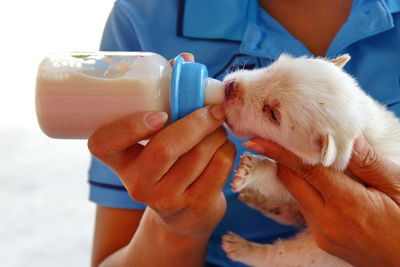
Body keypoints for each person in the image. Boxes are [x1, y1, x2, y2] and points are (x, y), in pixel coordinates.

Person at [87, 0, 400, 266]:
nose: (238, 84)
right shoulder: (147, 15)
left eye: (273, 113)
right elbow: (110, 256)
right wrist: (174, 227)